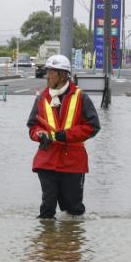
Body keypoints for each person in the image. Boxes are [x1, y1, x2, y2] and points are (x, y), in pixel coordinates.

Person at [26, 54, 101, 219]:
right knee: (47, 210)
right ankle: (49, 235)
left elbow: (93, 127)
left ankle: (71, 235)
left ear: (63, 75)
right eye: (48, 71)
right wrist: (40, 135)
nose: (48, 76)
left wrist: (66, 135)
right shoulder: (41, 98)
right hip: (47, 159)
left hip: (72, 161)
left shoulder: (81, 97)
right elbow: (33, 126)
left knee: (73, 210)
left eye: (52, 72)